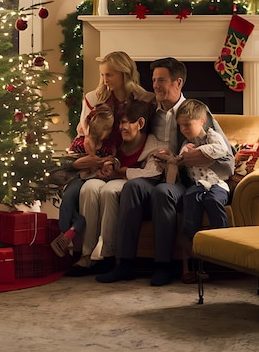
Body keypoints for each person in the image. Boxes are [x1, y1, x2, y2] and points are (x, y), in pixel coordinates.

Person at [96, 57, 234, 286]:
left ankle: (163, 266)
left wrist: (191, 158)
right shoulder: (151, 111)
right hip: (151, 174)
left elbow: (227, 159)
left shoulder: (197, 111)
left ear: (178, 83)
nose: (155, 85)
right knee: (132, 188)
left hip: (185, 181)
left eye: (161, 80)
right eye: (153, 80)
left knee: (163, 192)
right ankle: (125, 263)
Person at [67, 99, 167, 276]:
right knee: (89, 188)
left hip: (125, 182)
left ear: (141, 123)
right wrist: (102, 168)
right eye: (120, 122)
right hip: (105, 177)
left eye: (127, 122)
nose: (122, 127)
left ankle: (108, 255)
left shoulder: (154, 145)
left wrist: (123, 172)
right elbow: (100, 156)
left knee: (109, 191)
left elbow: (153, 172)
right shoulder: (115, 141)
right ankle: (86, 255)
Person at [156, 98, 234, 283]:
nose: (183, 129)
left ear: (201, 121)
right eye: (180, 125)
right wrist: (175, 157)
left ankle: (222, 239)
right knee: (190, 200)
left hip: (216, 184)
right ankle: (187, 243)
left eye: (187, 125)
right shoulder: (186, 143)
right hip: (197, 185)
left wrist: (197, 152)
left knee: (212, 201)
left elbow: (221, 149)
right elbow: (182, 161)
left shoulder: (211, 135)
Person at [50, 104, 118, 258]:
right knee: (68, 199)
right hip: (77, 179)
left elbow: (110, 162)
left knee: (78, 196)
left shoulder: (107, 146)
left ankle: (68, 236)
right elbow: (69, 163)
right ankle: (69, 231)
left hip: (94, 179)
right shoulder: (80, 143)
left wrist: (105, 168)